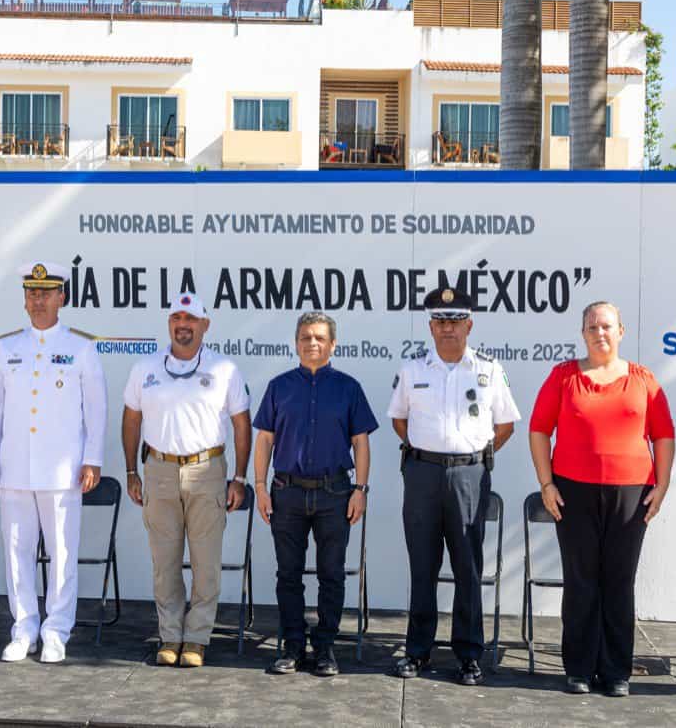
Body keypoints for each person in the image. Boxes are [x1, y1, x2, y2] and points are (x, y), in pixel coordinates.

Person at [528, 301, 675, 697]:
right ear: (583, 334)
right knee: (580, 581)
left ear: (621, 332)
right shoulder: (562, 377)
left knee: (618, 580)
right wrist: (547, 484)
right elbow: (539, 430)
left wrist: (661, 487)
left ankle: (615, 671)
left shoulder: (643, 380)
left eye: (607, 326)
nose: (600, 333)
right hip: (572, 491)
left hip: (631, 493)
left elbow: (663, 435)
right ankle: (578, 667)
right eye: (592, 327)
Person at [388, 287, 519, 685]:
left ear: (469, 324)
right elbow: (399, 420)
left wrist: (472, 456)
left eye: (455, 321)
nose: (448, 328)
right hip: (423, 475)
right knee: (423, 567)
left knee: (467, 568)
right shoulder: (413, 371)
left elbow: (506, 425)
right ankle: (417, 652)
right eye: (441, 321)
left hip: (469, 477)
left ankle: (468, 654)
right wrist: (428, 454)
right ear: (430, 326)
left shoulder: (489, 369)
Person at [0, 262, 107, 664]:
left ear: (61, 298)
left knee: (62, 552)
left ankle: (56, 629)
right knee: (16, 549)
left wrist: (93, 459)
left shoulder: (81, 347)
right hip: (15, 467)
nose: (38, 300)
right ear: (24, 298)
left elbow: (96, 409)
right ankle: (23, 628)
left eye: (46, 292)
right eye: (32, 293)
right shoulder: (8, 347)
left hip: (62, 469)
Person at [121, 293, 252, 668]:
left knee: (205, 562)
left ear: (205, 325)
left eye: (191, 318)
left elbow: (242, 425)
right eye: (177, 317)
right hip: (158, 470)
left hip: (207, 471)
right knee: (165, 562)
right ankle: (170, 635)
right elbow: (131, 420)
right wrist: (131, 470)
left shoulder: (225, 368)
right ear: (169, 324)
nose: (183, 324)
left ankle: (196, 638)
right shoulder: (144, 367)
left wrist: (239, 478)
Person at [253, 311, 377, 677]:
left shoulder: (348, 388)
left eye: (320, 337)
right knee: (288, 575)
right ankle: (292, 646)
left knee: (331, 575)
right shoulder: (279, 387)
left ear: (332, 344)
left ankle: (325, 649)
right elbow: (264, 440)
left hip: (335, 493)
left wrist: (361, 490)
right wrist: (259, 486)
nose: (312, 343)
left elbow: (361, 443)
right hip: (286, 493)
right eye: (306, 337)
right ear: (296, 342)